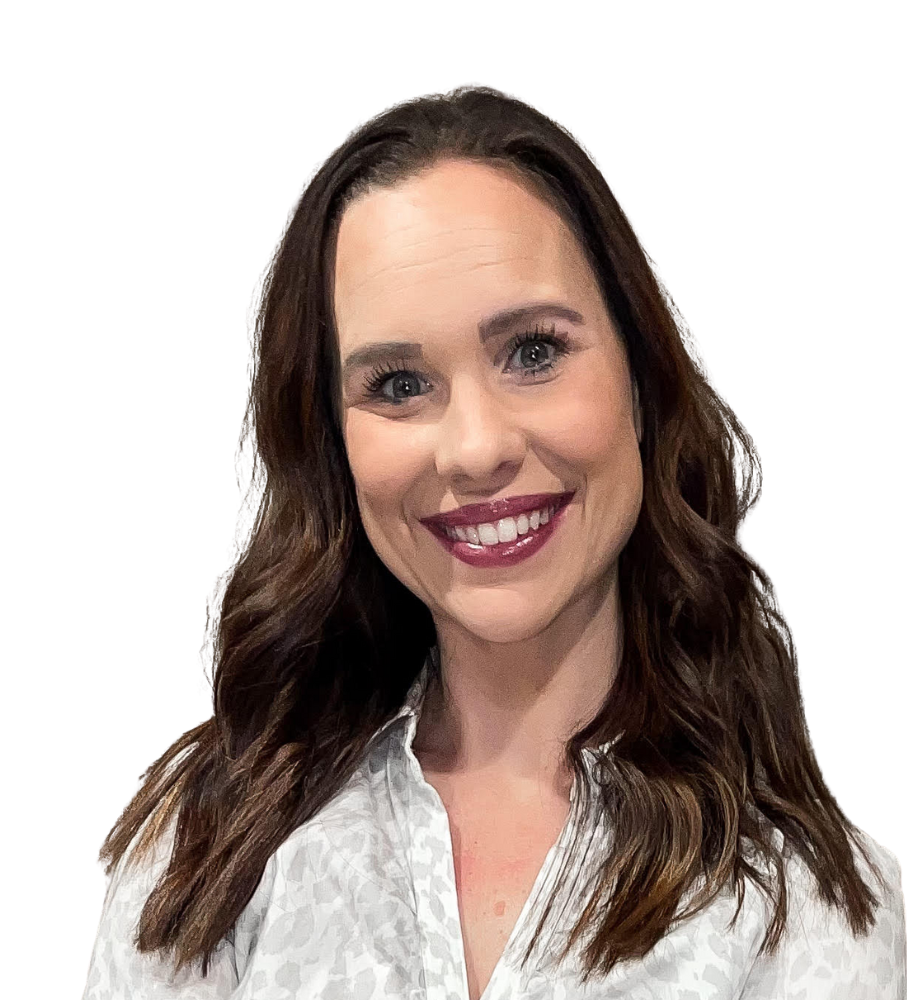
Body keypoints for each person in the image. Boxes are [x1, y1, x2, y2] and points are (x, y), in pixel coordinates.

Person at [82, 83, 906, 999]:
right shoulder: (207, 834)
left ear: (639, 373)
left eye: (533, 351)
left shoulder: (816, 904)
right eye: (397, 384)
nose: (476, 449)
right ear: (333, 445)